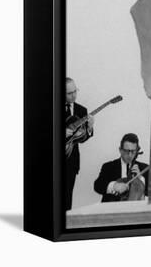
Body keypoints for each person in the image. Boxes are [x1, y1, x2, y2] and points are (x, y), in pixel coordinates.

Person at [94, 133, 151, 202]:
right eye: (127, 151)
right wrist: (114, 186)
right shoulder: (109, 166)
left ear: (136, 151)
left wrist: (141, 178)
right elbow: (97, 186)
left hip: (134, 210)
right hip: (112, 209)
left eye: (133, 151)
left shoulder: (143, 168)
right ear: (120, 150)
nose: (130, 155)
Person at [65, 77, 94, 210]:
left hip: (71, 162)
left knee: (67, 198)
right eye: (70, 93)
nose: (74, 95)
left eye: (75, 91)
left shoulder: (82, 110)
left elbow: (82, 139)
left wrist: (89, 128)